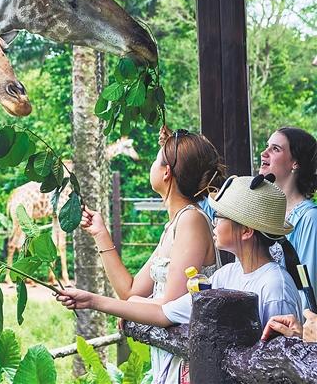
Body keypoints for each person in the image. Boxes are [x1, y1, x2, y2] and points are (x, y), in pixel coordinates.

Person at [58, 175, 303, 383]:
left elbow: (278, 362)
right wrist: (91, 301)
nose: (214, 223)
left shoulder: (275, 286)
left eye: (221, 217)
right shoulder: (226, 276)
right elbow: (164, 313)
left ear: (247, 231)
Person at [80, 128, 225, 383]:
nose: (152, 166)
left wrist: (129, 305)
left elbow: (167, 307)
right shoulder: (175, 224)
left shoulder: (191, 221)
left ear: (166, 172)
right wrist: (100, 233)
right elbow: (130, 289)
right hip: (169, 358)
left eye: (156, 159)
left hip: (188, 367)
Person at [260, 127, 317, 292]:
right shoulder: (260, 212)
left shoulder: (310, 218)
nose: (264, 153)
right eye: (267, 146)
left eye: (275, 149)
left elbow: (308, 289)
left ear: (296, 163)